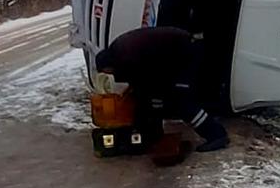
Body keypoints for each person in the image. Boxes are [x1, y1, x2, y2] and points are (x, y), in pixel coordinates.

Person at [95, 27, 230, 152]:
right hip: (171, 56)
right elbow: (143, 80)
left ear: (108, 64)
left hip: (184, 54)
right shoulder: (119, 51)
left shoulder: (126, 55)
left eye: (108, 72)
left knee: (181, 101)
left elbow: (147, 79)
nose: (111, 75)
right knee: (153, 98)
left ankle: (216, 135)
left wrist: (150, 99)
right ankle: (153, 136)